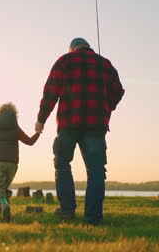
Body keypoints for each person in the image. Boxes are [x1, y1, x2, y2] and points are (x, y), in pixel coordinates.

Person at [35, 38, 124, 226]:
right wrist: (107, 107)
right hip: (96, 124)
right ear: (87, 47)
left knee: (62, 163)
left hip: (69, 122)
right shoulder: (105, 64)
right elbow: (118, 91)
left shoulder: (65, 61)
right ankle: (93, 218)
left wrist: (41, 119)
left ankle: (67, 211)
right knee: (96, 171)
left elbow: (50, 92)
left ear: (72, 48)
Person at [0, 102, 40, 222]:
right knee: (4, 189)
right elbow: (30, 141)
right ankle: (2, 211)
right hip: (12, 164)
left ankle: (3, 205)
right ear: (14, 115)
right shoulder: (16, 129)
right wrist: (38, 132)